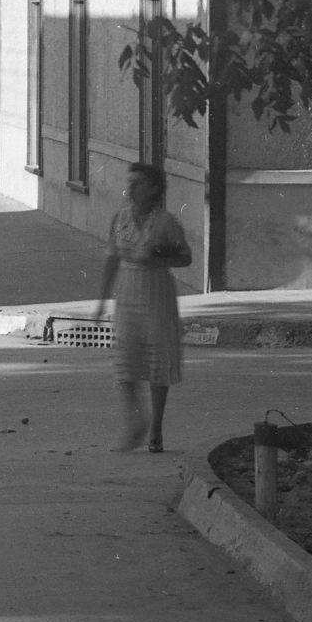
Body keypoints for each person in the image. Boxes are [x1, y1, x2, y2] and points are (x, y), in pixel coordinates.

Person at [95, 161, 194, 453]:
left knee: (157, 362)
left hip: (156, 294)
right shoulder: (120, 220)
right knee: (126, 362)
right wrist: (102, 300)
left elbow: (185, 257)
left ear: (153, 189)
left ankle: (156, 430)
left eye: (137, 183)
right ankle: (137, 420)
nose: (130, 188)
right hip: (127, 294)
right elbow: (111, 259)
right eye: (129, 183)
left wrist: (157, 259)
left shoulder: (166, 222)